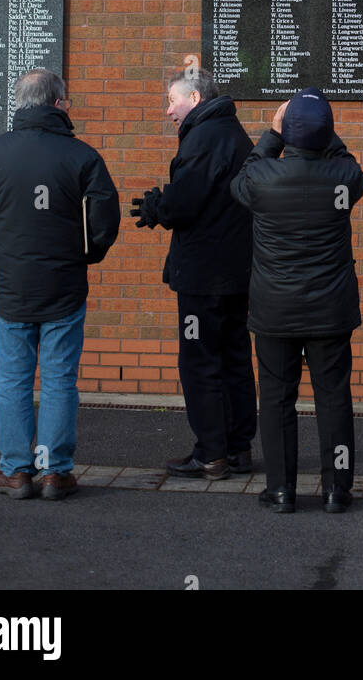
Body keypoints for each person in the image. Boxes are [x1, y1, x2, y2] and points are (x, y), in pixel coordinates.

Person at [0, 69, 120, 500]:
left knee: (12, 379)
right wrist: (85, 258)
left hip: (11, 288)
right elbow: (104, 222)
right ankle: (54, 470)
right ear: (58, 103)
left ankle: (15, 471)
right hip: (64, 285)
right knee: (60, 379)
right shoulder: (82, 157)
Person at [231, 87, 363, 514]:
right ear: (327, 134)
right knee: (333, 398)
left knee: (275, 399)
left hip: (275, 309)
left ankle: (281, 490)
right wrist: (323, 129)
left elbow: (243, 175)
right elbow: (349, 166)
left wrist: (274, 134)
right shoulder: (343, 178)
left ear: (285, 134)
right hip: (330, 309)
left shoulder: (261, 179)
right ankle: (336, 490)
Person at [132, 68, 256, 480]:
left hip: (205, 277)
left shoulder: (203, 138)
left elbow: (186, 203)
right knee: (235, 359)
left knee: (200, 362)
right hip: (238, 272)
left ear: (196, 99)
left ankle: (211, 454)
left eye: (173, 100)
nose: (168, 111)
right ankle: (238, 448)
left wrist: (157, 208)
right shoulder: (234, 134)